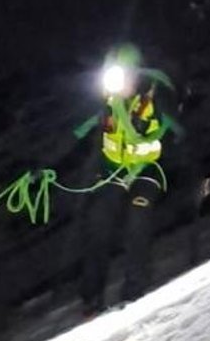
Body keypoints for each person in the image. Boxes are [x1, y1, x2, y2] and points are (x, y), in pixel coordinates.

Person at [70, 46, 186, 312]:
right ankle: (91, 298)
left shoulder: (156, 94)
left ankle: (134, 292)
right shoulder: (109, 104)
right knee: (98, 222)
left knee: (138, 216)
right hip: (117, 173)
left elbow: (176, 130)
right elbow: (77, 137)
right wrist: (41, 167)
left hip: (150, 170)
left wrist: (177, 157)